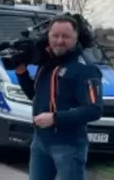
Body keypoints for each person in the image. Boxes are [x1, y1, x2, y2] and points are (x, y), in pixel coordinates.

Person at [16, 16, 104, 180]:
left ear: (75, 38)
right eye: (55, 36)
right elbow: (34, 95)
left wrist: (55, 118)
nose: (59, 41)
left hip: (69, 146)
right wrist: (21, 72)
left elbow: (94, 110)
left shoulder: (85, 69)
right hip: (40, 142)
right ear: (48, 36)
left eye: (66, 36)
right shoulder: (47, 62)